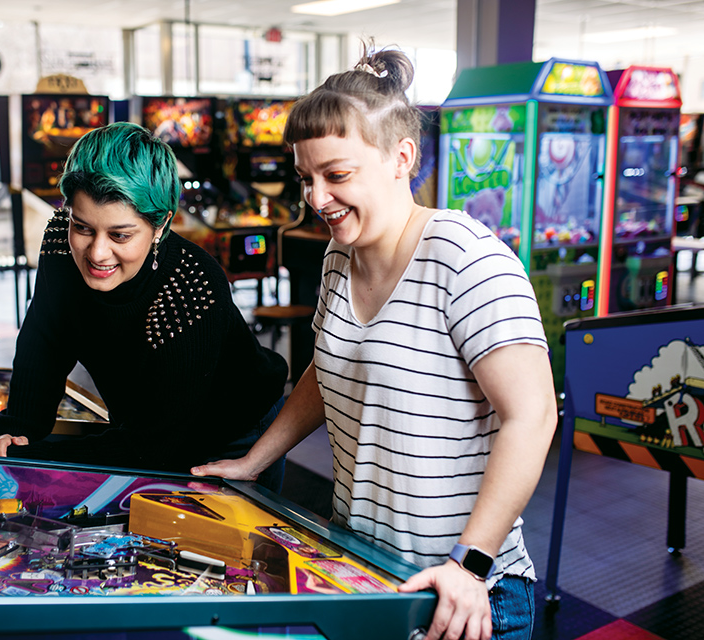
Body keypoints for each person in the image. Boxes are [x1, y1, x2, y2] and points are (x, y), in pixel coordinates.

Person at [191, 45, 558, 640]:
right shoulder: (342, 254)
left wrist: (471, 562)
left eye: (336, 175)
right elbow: (329, 368)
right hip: (366, 569)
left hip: (461, 593)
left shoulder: (465, 258)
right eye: (306, 178)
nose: (316, 198)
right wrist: (256, 461)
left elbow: (533, 416)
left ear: (401, 158)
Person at [0, 122, 289, 491]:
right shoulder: (59, 237)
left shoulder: (192, 283)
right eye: (83, 227)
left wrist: (33, 459)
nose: (97, 252)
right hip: (144, 426)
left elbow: (152, 449)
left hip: (235, 434)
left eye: (120, 235)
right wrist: (15, 434)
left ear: (161, 224)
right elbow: (45, 341)